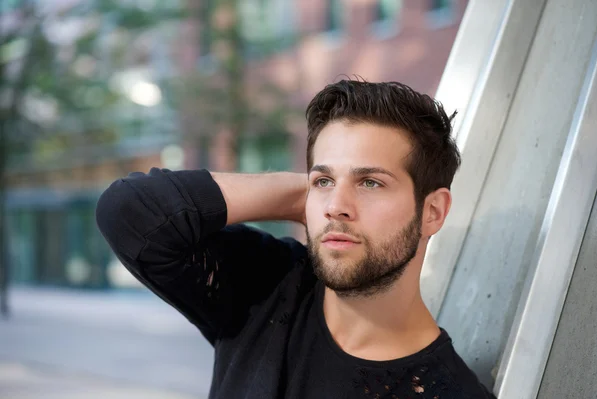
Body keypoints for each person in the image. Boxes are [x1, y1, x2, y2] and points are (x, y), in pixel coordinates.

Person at [96, 79, 496, 398]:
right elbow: (129, 213)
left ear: (432, 212)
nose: (336, 205)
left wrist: (325, 191)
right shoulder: (268, 286)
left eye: (371, 182)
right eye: (323, 180)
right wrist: (303, 198)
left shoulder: (447, 391)